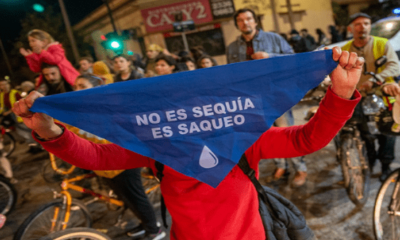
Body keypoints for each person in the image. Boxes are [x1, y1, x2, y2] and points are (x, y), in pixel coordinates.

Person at [14, 47, 363, 240]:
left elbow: (305, 139)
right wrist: (49, 131)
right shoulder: (157, 142)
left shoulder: (239, 135)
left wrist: (342, 93)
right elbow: (99, 156)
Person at [72, 74, 165, 239]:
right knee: (126, 200)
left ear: (95, 88)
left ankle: (154, 228)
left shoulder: (108, 106)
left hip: (124, 163)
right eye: (76, 86)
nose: (77, 90)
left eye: (82, 86)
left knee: (137, 198)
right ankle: (144, 224)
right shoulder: (78, 111)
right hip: (104, 166)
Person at [342, 12, 400, 181]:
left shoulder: (382, 44)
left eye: (366, 23)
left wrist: (376, 80)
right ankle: (370, 161)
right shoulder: (346, 50)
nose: (363, 27)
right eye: (358, 24)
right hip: (358, 97)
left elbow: (395, 66)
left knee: (387, 132)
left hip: (383, 95)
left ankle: (385, 166)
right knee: (365, 133)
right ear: (350, 28)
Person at [226, 8, 293, 63]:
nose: (245, 23)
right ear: (236, 25)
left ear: (255, 22)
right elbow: (231, 71)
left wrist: (269, 56)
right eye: (240, 20)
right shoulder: (231, 47)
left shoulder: (274, 38)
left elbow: (293, 57)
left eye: (249, 19)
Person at [0, 79, 40, 153]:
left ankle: (36, 146)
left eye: (5, 84)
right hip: (12, 117)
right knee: (22, 133)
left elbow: (21, 103)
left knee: (28, 131)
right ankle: (32, 146)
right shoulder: (1, 95)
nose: (4, 86)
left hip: (20, 116)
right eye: (2, 85)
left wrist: (9, 111)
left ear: (9, 84)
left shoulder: (15, 93)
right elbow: (2, 106)